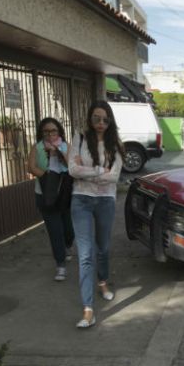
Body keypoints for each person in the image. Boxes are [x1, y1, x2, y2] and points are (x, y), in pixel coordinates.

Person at [68, 101, 125, 328]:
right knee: (85, 254)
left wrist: (87, 172)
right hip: (80, 200)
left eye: (105, 119)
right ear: (90, 119)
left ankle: (102, 282)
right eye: (96, 119)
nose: (100, 123)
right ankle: (88, 309)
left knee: (103, 247)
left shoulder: (116, 144)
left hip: (105, 201)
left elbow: (115, 177)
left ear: (110, 121)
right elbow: (72, 170)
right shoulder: (79, 138)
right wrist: (101, 170)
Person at [27, 117, 75, 282]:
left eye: (53, 130)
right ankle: (60, 265)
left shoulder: (66, 146)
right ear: (41, 132)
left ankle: (68, 246)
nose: (50, 134)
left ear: (59, 131)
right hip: (45, 195)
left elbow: (72, 166)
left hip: (64, 194)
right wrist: (48, 177)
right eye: (46, 131)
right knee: (55, 230)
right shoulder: (37, 147)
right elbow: (31, 166)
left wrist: (59, 153)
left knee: (68, 229)